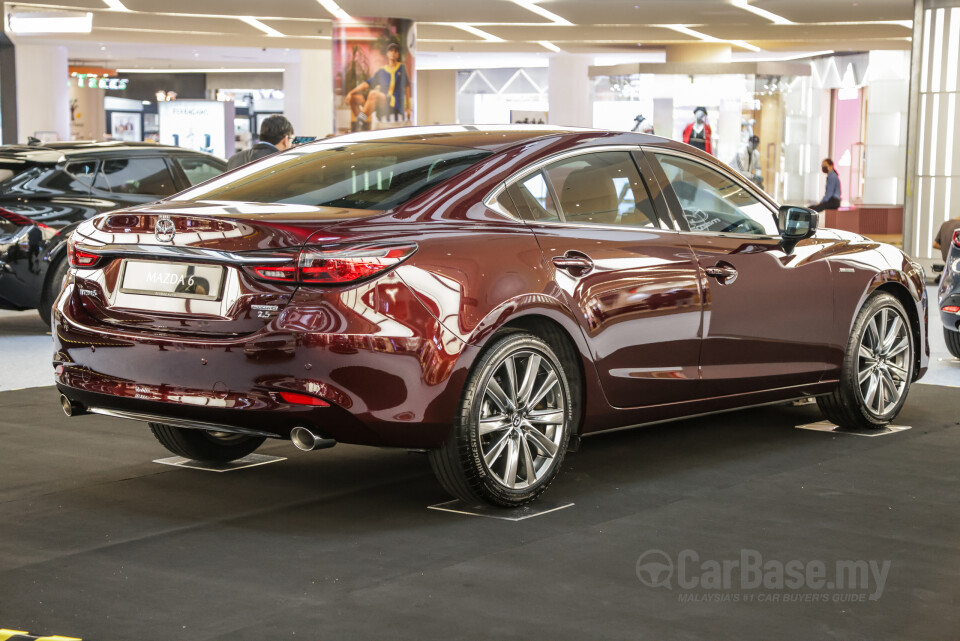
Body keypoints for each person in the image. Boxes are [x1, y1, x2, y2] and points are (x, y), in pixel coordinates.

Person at [345, 42, 412, 132]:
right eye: (391, 51)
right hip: (381, 101)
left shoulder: (402, 68)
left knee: (373, 93)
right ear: (387, 54)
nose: (393, 53)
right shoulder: (382, 70)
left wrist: (408, 107)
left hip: (393, 102)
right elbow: (366, 84)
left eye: (396, 51)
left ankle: (358, 124)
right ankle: (362, 124)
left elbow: (407, 87)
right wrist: (350, 93)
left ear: (398, 54)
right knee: (354, 98)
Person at [226, 114, 294, 170]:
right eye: (291, 140)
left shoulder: (234, 159)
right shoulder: (283, 162)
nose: (291, 145)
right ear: (285, 140)